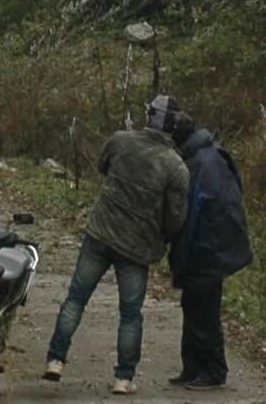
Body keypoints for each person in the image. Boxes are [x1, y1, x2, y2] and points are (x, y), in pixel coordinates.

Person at [41, 96, 190, 395]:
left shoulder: (120, 141)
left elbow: (101, 166)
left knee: (76, 298)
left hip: (99, 234)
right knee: (130, 313)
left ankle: (56, 360)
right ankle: (123, 378)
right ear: (173, 126)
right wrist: (161, 237)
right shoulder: (176, 167)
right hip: (136, 249)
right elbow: (176, 219)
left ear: (149, 117)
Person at [160, 101, 253, 389]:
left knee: (204, 311)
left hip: (209, 250)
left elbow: (192, 216)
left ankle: (214, 370)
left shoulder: (199, 164)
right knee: (194, 305)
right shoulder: (211, 155)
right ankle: (193, 367)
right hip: (217, 246)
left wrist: (180, 255)